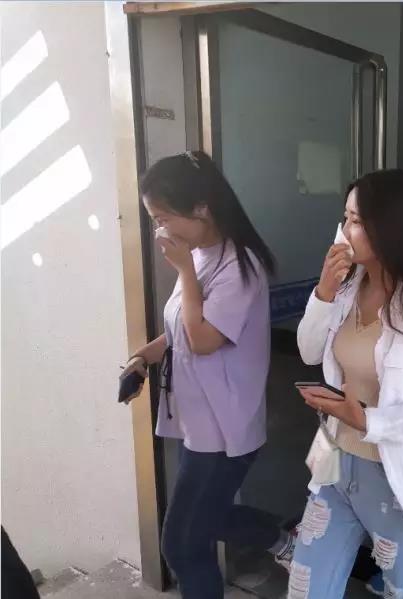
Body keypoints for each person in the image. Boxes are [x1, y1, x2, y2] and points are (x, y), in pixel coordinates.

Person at [121, 151, 293, 599]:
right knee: (205, 519)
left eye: (163, 218)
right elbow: (181, 326)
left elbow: (202, 339)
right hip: (197, 421)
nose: (159, 230)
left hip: (225, 427)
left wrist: (184, 271)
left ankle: (284, 538)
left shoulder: (241, 267)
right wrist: (143, 357)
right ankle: (285, 539)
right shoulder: (198, 254)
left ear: (201, 209)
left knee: (182, 545)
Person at [291, 169, 403, 599]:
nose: (344, 230)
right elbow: (309, 352)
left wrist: (369, 421)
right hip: (333, 464)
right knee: (306, 586)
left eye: (356, 220)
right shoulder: (346, 290)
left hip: (393, 477)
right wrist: (324, 291)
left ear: (388, 228)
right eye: (345, 217)